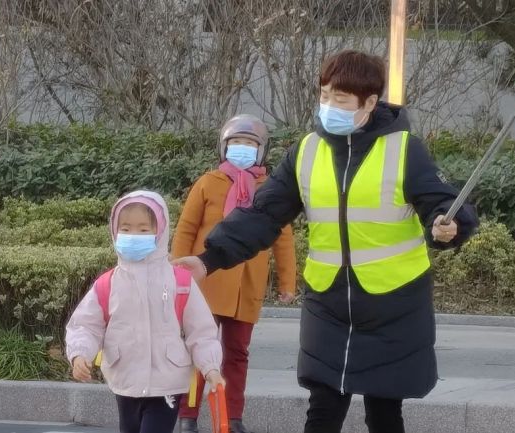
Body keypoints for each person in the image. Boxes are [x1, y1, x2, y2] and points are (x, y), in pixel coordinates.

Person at [174, 50, 479, 433]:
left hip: (394, 301)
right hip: (329, 301)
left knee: (384, 411)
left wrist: (449, 225)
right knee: (322, 408)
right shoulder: (305, 152)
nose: (328, 106)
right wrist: (207, 260)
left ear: (369, 102)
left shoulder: (405, 149)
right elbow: (263, 215)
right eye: (324, 95)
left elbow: (444, 202)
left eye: (340, 99)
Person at [172, 114, 297, 433]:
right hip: (207, 282)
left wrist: (287, 282)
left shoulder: (270, 190)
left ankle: (232, 416)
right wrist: (177, 273)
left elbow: (283, 238)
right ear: (224, 147)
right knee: (200, 350)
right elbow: (186, 229)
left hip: (247, 288)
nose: (243, 148)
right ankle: (187, 415)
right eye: (236, 143)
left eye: (251, 144)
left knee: (237, 353)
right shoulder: (208, 182)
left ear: (261, 150)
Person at [66, 190, 224, 433]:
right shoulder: (108, 283)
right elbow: (86, 325)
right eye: (126, 229)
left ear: (159, 232)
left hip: (167, 383)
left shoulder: (179, 281)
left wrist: (211, 367)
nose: (133, 235)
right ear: (114, 231)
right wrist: (79, 355)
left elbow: (201, 332)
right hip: (124, 380)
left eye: (143, 229)